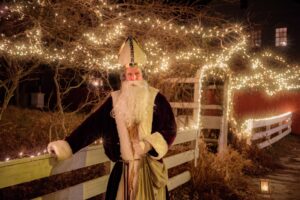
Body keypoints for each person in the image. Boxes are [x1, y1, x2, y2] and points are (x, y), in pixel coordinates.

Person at [47, 36, 177, 200]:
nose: (134, 78)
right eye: (130, 74)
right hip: (122, 171)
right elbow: (92, 126)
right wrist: (67, 145)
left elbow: (170, 129)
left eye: (137, 73)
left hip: (149, 171)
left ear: (142, 74)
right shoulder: (115, 100)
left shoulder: (157, 98)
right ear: (124, 76)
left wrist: (148, 144)